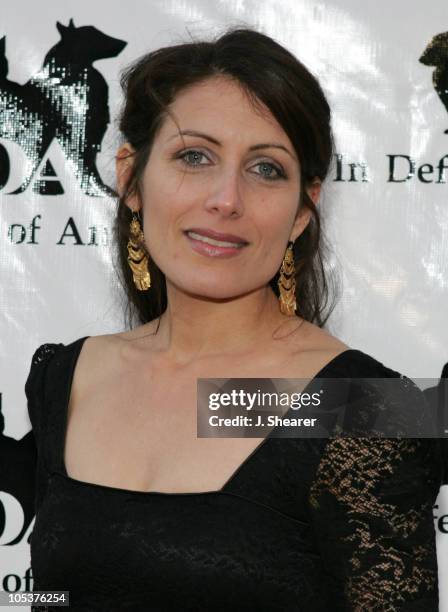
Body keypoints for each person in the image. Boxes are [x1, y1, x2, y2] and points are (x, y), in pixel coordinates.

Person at [25, 27, 444, 611]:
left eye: (267, 168)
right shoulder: (69, 376)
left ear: (303, 210)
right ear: (130, 178)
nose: (227, 199)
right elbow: (52, 592)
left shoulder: (354, 406)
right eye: (194, 156)